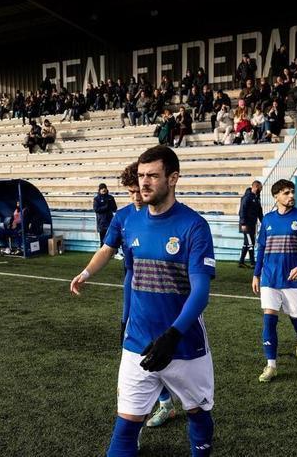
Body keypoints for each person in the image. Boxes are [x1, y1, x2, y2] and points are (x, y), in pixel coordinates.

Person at [101, 145, 216, 457]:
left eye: (152, 175)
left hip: (184, 345)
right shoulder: (131, 222)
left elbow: (201, 291)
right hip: (137, 343)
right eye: (140, 176)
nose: (144, 183)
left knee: (198, 414)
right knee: (125, 427)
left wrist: (173, 334)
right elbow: (130, 277)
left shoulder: (194, 226)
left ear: (173, 178)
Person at [70, 163, 180, 429]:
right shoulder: (123, 217)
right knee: (134, 349)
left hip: (167, 291)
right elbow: (107, 249)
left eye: (136, 191)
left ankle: (187, 401)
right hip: (133, 285)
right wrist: (85, 273)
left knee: (170, 348)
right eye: (130, 192)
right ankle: (163, 405)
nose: (135, 197)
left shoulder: (167, 214)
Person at [252, 179, 297, 382]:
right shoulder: (268, 220)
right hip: (270, 278)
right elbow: (261, 248)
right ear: (276, 196)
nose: (291, 196)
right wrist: (256, 273)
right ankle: (271, 365)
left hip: (293, 279)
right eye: (286, 193)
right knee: (269, 319)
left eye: (292, 192)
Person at [238, 181, 263, 268]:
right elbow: (242, 210)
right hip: (246, 224)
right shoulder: (247, 197)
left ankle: (241, 262)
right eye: (260, 187)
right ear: (255, 187)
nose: (261, 189)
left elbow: (259, 211)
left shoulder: (257, 198)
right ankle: (253, 262)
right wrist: (243, 223)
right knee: (250, 243)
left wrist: (262, 221)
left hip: (253, 224)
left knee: (247, 243)